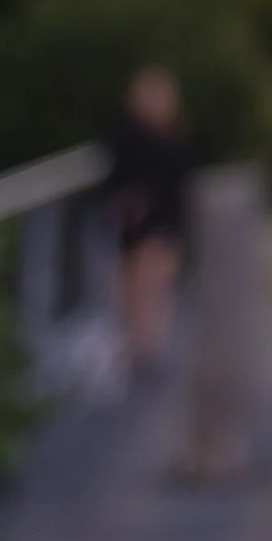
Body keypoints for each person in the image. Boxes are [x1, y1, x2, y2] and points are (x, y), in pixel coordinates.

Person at [103, 64, 191, 376]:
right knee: (136, 287)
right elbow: (116, 181)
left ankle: (146, 349)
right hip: (137, 224)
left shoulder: (173, 137)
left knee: (154, 285)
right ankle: (141, 349)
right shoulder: (129, 136)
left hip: (162, 224)